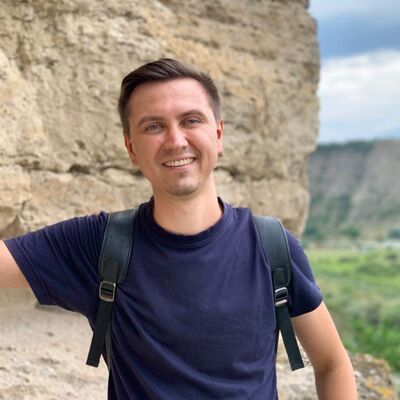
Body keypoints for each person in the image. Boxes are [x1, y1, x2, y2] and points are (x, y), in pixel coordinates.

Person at [0, 58, 357, 399]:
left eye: (191, 120)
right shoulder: (98, 244)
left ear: (218, 135)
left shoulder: (272, 247)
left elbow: (332, 363)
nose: (175, 140)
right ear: (131, 148)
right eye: (153, 126)